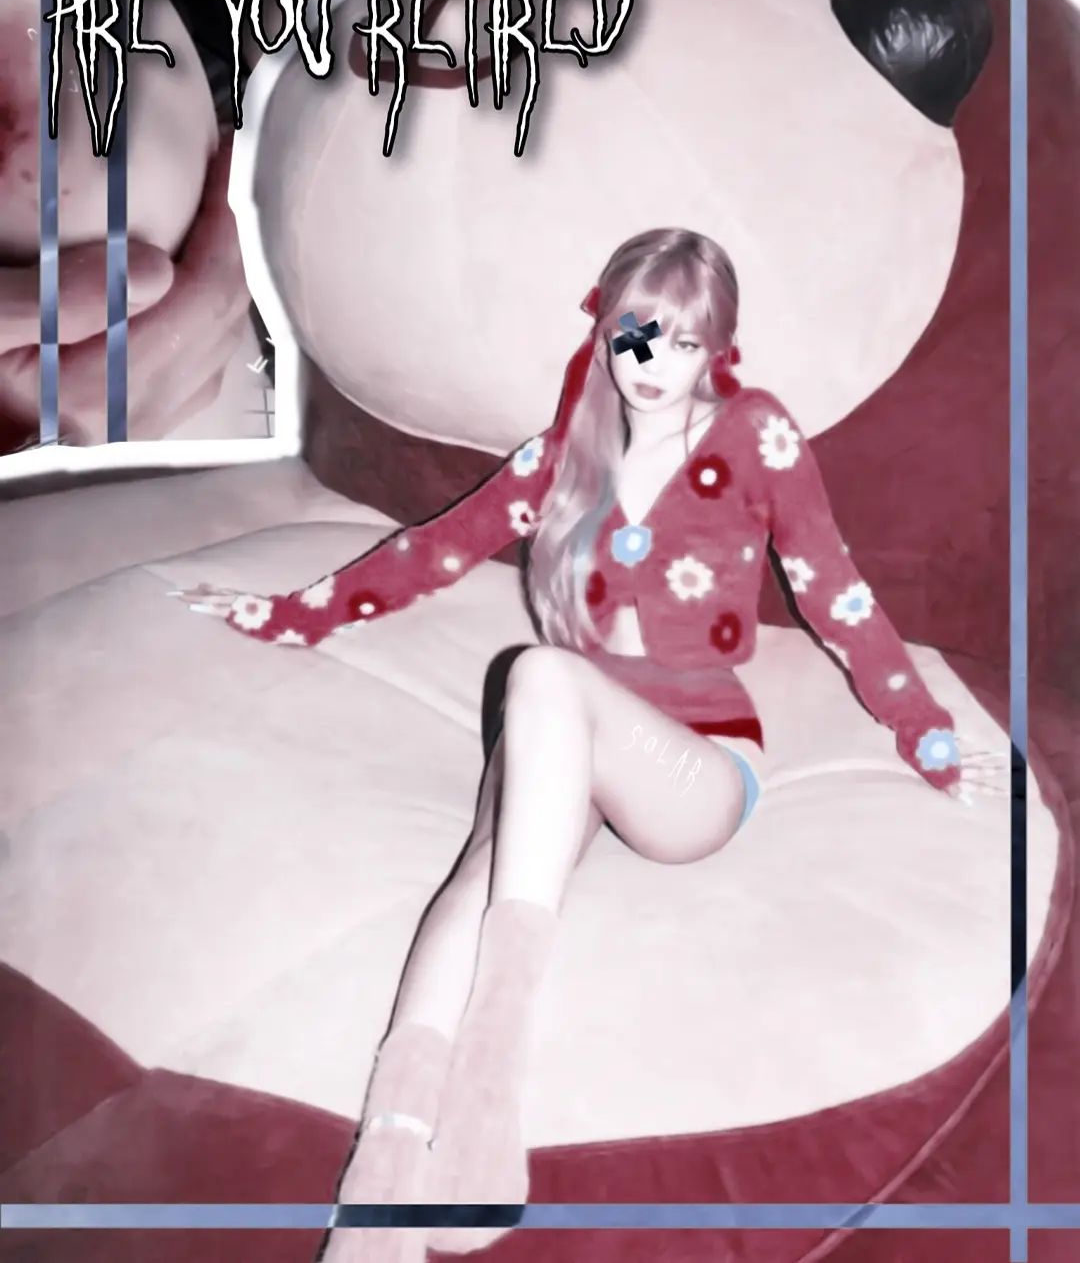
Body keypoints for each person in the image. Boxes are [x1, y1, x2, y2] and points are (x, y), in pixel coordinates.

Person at [176, 228, 1006, 1261]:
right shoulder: (569, 452)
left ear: (719, 351)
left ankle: (487, 1085)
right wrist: (289, 613)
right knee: (483, 864)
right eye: (636, 335)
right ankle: (379, 1179)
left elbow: (837, 593)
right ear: (607, 330)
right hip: (558, 735)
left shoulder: (756, 436)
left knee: (540, 675)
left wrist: (924, 733)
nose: (652, 364)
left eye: (683, 343)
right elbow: (436, 549)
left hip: (692, 762)